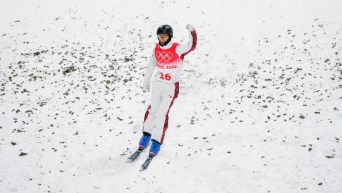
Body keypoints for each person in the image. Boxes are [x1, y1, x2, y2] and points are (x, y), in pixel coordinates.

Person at [137, 23, 197, 157]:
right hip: (158, 84)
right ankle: (146, 135)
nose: (161, 39)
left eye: (164, 37)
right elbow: (151, 63)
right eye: (159, 37)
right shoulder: (156, 49)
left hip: (170, 87)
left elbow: (191, 46)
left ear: (169, 37)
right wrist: (146, 80)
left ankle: (156, 142)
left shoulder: (177, 49)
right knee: (152, 111)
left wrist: (192, 32)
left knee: (161, 115)